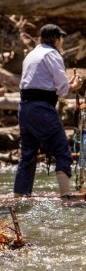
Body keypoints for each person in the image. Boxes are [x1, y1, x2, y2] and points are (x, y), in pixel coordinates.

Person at [14, 24, 83, 198]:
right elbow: (62, 90)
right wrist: (74, 85)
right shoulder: (52, 54)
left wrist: (67, 85)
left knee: (28, 155)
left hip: (24, 108)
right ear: (55, 39)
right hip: (42, 109)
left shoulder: (31, 54)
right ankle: (66, 196)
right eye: (61, 39)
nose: (62, 43)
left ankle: (20, 196)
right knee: (62, 151)